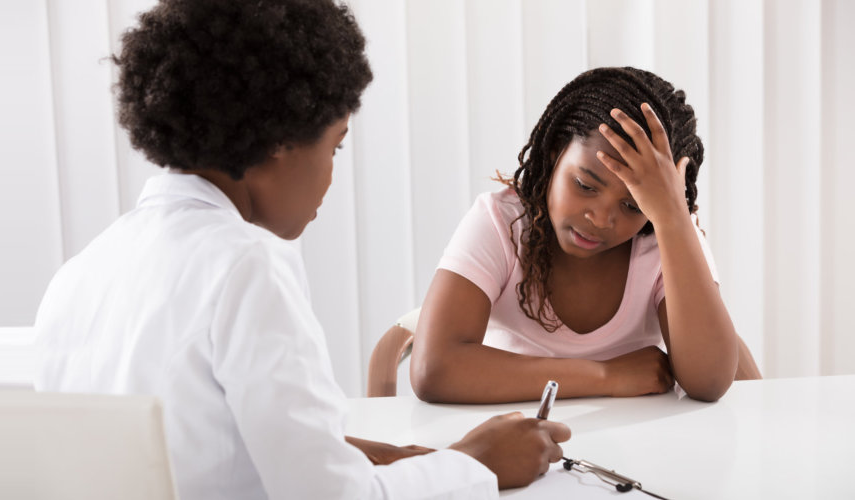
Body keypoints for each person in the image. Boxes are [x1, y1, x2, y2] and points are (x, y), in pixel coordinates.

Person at [32, 0, 569, 497]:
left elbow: (211, 439)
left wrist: (387, 457)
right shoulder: (245, 266)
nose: (332, 176)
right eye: (334, 146)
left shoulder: (85, 270)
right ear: (279, 141)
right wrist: (477, 463)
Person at [408, 67, 762, 405]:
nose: (601, 218)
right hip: (517, 439)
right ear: (554, 152)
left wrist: (672, 219)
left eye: (632, 205)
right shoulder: (502, 223)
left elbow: (709, 381)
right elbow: (434, 368)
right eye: (585, 185)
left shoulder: (666, 235)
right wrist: (605, 377)